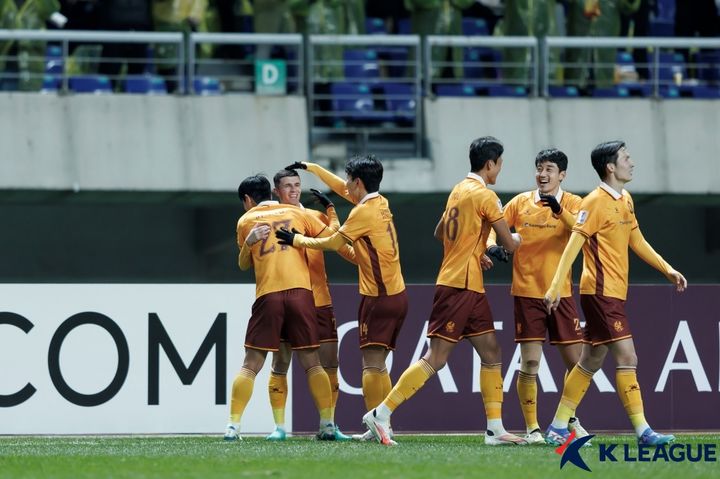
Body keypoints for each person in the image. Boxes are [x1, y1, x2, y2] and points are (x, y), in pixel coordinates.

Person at [358, 137, 526, 446]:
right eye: (500, 164)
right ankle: (381, 413)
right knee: (435, 357)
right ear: (490, 164)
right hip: (459, 285)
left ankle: (494, 430)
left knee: (492, 352)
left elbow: (440, 232)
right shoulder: (487, 197)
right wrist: (521, 236)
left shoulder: (458, 190)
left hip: (467, 282)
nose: (500, 169)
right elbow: (510, 244)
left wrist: (475, 251)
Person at [543, 141, 687, 446]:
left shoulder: (625, 199)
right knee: (627, 357)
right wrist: (556, 286)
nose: (631, 162)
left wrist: (667, 269)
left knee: (590, 362)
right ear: (611, 166)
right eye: (626, 158)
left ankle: (557, 426)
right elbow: (573, 246)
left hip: (614, 293)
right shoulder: (593, 202)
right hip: (599, 292)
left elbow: (637, 240)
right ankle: (643, 431)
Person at [277, 155, 407, 442]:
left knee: (371, 365)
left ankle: (379, 427)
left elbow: (333, 243)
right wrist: (313, 169)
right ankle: (384, 424)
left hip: (378, 297)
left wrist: (297, 240)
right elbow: (342, 192)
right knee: (381, 364)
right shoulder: (380, 203)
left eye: (349, 179)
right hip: (397, 295)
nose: (345, 184)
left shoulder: (362, 214)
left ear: (358, 182)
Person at [224, 175, 340, 442]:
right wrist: (331, 211)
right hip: (302, 293)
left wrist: (252, 241)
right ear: (272, 193)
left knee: (252, 364)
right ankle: (327, 424)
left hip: (268, 295)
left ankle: (233, 426)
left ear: (247, 200)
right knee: (312, 363)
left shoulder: (246, 221)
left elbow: (244, 264)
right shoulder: (296, 213)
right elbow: (333, 238)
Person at [485, 148, 589, 444]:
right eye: (539, 168)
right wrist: (492, 246)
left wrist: (558, 209)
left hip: (562, 294)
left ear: (562, 175)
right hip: (526, 293)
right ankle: (532, 429)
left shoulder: (573, 202)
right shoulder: (520, 202)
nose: (542, 174)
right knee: (530, 364)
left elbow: (582, 230)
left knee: (577, 364)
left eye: (549, 169)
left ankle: (568, 419)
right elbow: (495, 227)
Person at [265, 168, 356, 441]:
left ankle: (328, 425)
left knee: (329, 362)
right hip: (285, 300)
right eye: (287, 186)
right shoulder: (269, 221)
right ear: (276, 192)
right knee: (280, 361)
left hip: (319, 300)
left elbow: (342, 246)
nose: (293, 190)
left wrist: (331, 212)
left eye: (297, 185)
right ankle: (279, 428)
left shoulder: (314, 217)